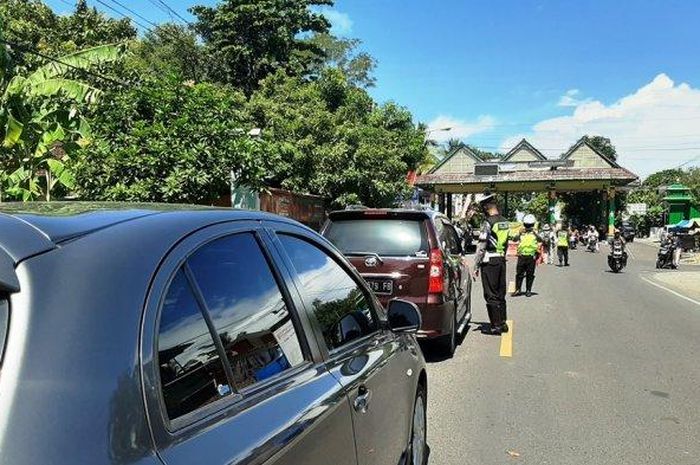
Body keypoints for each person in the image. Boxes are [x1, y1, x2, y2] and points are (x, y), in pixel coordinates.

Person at [472, 197, 510, 334]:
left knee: (491, 294)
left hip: (489, 261)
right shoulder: (505, 222)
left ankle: (495, 326)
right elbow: (506, 243)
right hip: (501, 260)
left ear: (486, 208)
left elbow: (482, 245)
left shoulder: (487, 223)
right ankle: (503, 322)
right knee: (500, 293)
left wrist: (476, 265)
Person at [512, 214, 541, 297]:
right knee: (519, 274)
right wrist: (518, 233)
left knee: (530, 274)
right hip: (522, 256)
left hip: (531, 256)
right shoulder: (521, 232)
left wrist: (535, 234)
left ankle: (528, 290)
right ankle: (518, 289)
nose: (528, 227)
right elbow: (514, 240)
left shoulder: (535, 233)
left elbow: (541, 240)